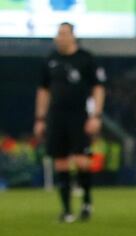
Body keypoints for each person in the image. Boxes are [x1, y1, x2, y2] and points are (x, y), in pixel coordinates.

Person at [34, 22, 105, 223]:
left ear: (73, 36)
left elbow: (98, 88)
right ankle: (66, 210)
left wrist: (96, 115)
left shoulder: (86, 59)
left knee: (82, 160)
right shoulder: (50, 60)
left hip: (79, 115)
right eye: (58, 34)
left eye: (64, 33)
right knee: (61, 162)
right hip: (56, 116)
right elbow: (43, 91)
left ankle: (86, 202)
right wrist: (40, 118)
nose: (60, 37)